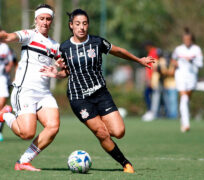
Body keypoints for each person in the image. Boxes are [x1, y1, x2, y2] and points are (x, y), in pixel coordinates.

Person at [40, 9, 156, 173]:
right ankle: (125, 164)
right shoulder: (64, 48)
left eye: (85, 23)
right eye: (78, 24)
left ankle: (103, 132)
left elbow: (118, 51)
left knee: (119, 131)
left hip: (100, 94)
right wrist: (56, 74)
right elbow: (67, 71)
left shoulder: (97, 42)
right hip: (79, 98)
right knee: (101, 133)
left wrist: (139, 60)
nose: (82, 27)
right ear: (71, 25)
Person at [0, 4, 60, 171]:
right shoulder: (29, 35)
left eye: (48, 19)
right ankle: (6, 116)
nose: (45, 22)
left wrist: (59, 71)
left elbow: (64, 67)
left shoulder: (55, 45)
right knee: (27, 133)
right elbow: (5, 36)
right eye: (42, 18)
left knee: (53, 127)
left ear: (52, 21)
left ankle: (23, 161)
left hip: (44, 94)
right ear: (36, 20)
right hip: (25, 91)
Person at [171, 28, 203, 132]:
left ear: (192, 39)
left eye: (188, 39)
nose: (187, 41)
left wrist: (192, 60)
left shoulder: (196, 49)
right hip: (180, 75)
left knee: (186, 99)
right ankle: (186, 124)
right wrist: (174, 64)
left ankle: (184, 117)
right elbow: (173, 59)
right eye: (185, 39)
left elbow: (201, 64)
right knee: (184, 98)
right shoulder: (178, 49)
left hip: (192, 76)